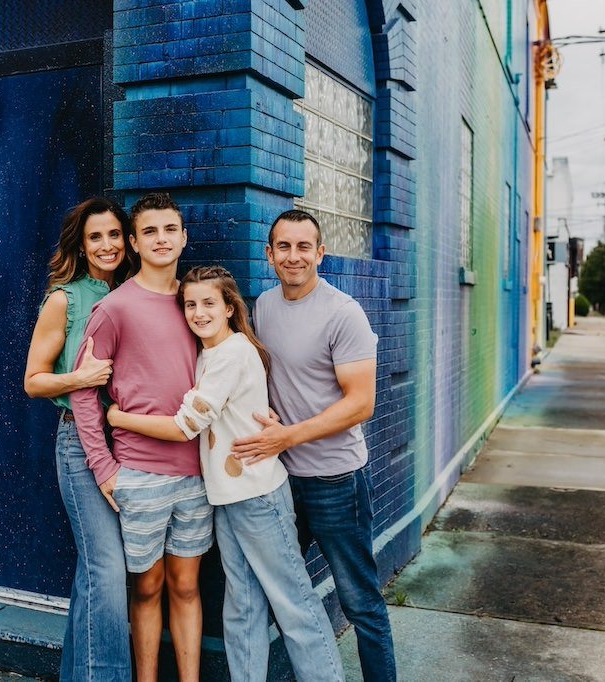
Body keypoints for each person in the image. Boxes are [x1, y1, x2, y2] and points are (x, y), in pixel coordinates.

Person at [106, 265, 345, 682]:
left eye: (209, 303)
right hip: (227, 499)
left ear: (230, 308)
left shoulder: (232, 353)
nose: (198, 312)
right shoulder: (210, 353)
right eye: (190, 304)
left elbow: (184, 426)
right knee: (242, 607)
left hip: (257, 497)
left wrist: (118, 417)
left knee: (293, 603)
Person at [231, 209, 397, 681]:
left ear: (320, 253)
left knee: (359, 601)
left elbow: (361, 403)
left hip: (334, 481)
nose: (294, 256)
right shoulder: (262, 306)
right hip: (279, 481)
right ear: (269, 254)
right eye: (283, 246)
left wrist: (288, 435)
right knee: (267, 592)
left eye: (304, 247)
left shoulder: (343, 313)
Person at [70, 192, 212, 682]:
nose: (161, 239)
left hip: (196, 474)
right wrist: (103, 467)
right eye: (149, 232)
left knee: (187, 587)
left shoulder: (197, 303)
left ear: (183, 236)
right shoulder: (114, 308)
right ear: (134, 242)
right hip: (140, 473)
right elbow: (84, 394)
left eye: (169, 229)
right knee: (146, 588)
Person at [24, 197, 137, 682]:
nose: (107, 245)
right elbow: (34, 380)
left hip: (127, 445)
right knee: (108, 572)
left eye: (114, 234)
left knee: (94, 573)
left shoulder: (132, 293)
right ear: (81, 244)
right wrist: (81, 377)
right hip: (78, 448)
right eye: (96, 237)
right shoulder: (64, 299)